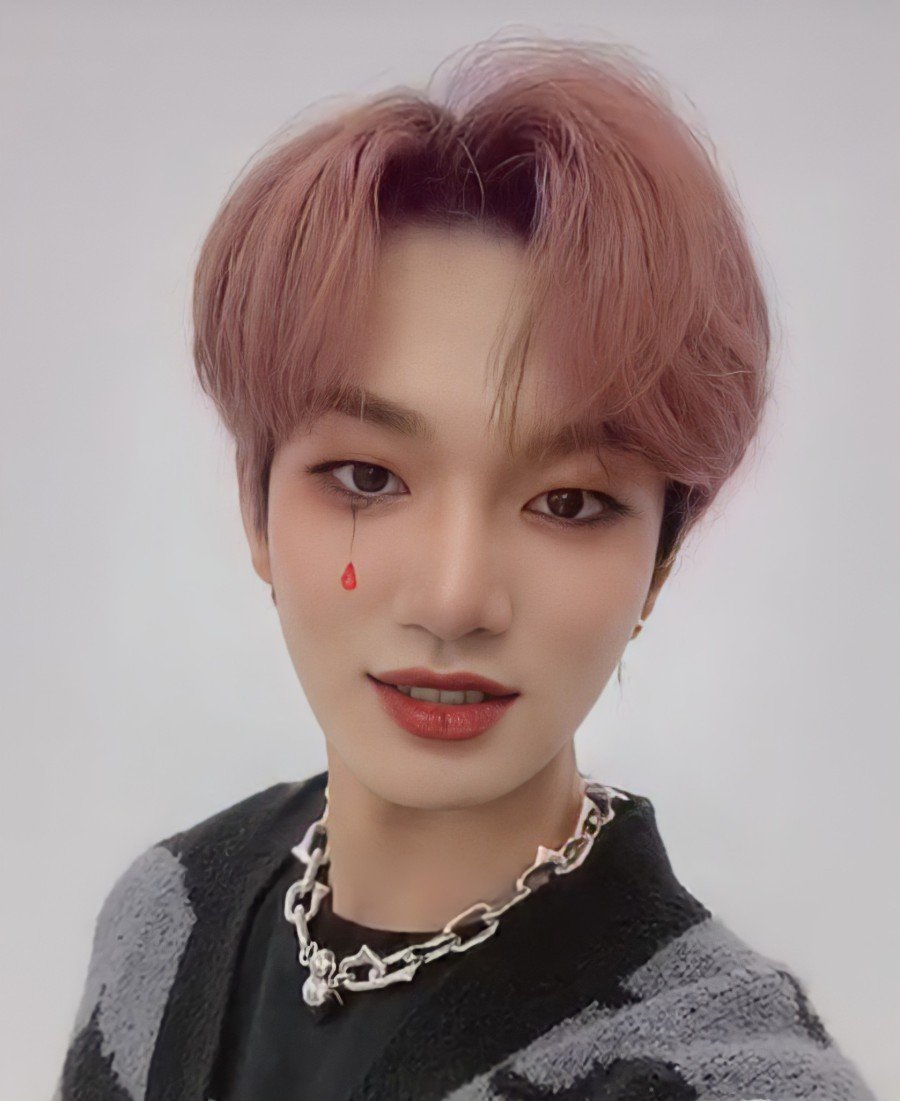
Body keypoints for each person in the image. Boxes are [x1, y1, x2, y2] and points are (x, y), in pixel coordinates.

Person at [56, 34, 876, 1101]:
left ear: (662, 557)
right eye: (366, 477)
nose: (454, 600)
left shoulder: (728, 1078)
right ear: (256, 504)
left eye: (569, 502)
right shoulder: (163, 920)